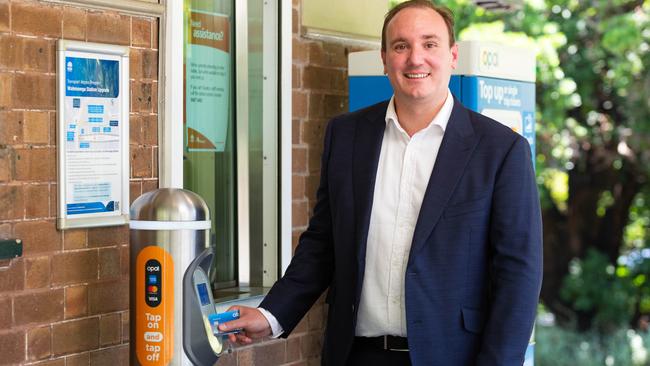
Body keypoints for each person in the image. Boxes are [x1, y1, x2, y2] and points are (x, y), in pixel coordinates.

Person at [218, 1, 542, 365]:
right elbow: (323, 243)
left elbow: (518, 276)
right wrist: (270, 315)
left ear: (452, 56)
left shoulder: (501, 150)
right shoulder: (346, 135)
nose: (415, 58)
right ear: (384, 59)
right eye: (401, 46)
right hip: (357, 355)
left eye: (429, 44)